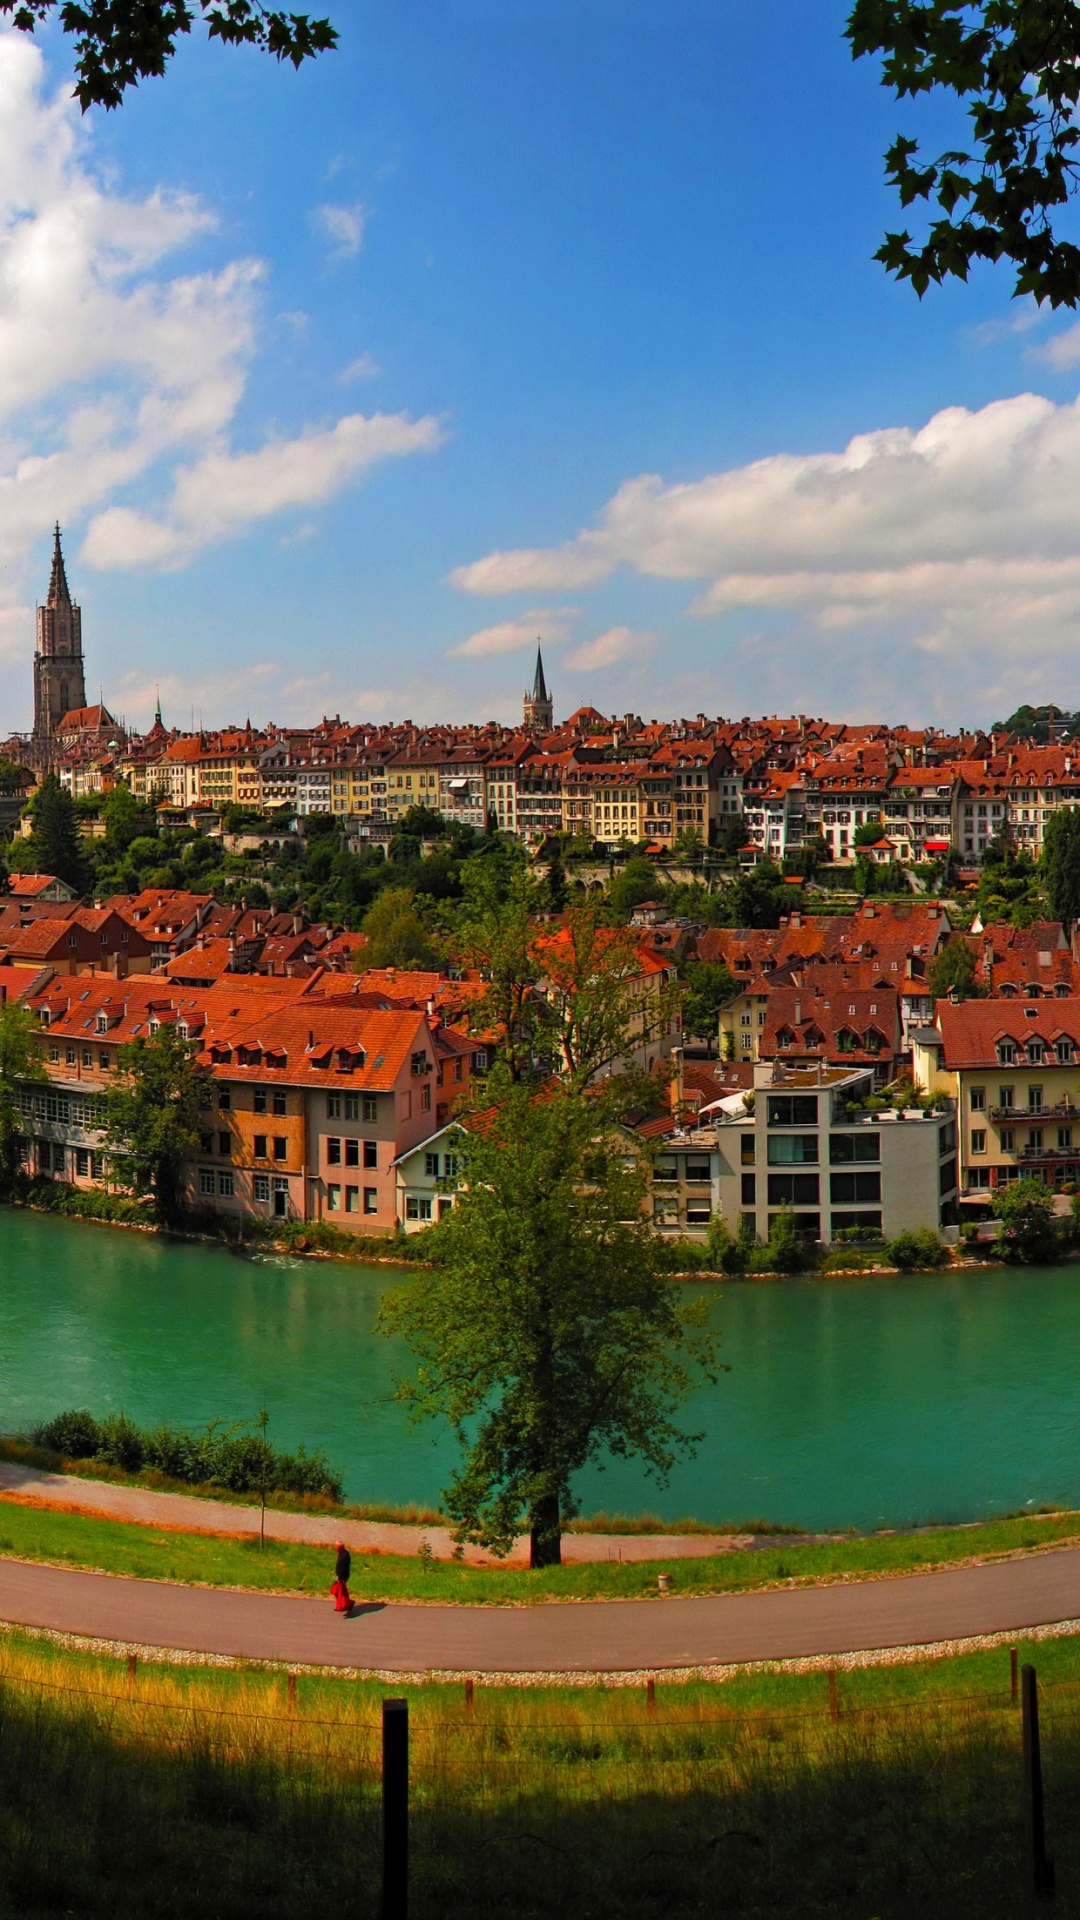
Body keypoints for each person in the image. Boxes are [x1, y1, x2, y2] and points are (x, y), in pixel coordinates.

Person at [331, 1540, 352, 1614]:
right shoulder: (343, 1553)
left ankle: (347, 1604)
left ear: (339, 1547)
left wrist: (339, 1578)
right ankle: (345, 1604)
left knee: (339, 1591)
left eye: (336, 1546)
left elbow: (342, 1567)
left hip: (342, 1576)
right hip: (342, 1576)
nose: (335, 1548)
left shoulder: (344, 1556)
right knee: (341, 1592)